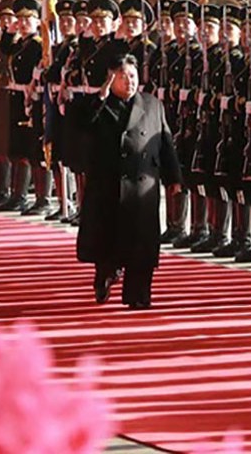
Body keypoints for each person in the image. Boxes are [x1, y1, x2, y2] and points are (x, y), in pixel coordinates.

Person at [76, 54, 183, 310]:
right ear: (111, 79)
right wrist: (99, 99)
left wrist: (174, 178)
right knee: (108, 242)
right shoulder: (97, 105)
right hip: (108, 185)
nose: (129, 82)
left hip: (142, 186)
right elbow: (80, 128)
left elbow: (165, 142)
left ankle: (139, 295)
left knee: (142, 244)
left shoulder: (152, 104)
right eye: (123, 77)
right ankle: (105, 275)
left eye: (133, 76)